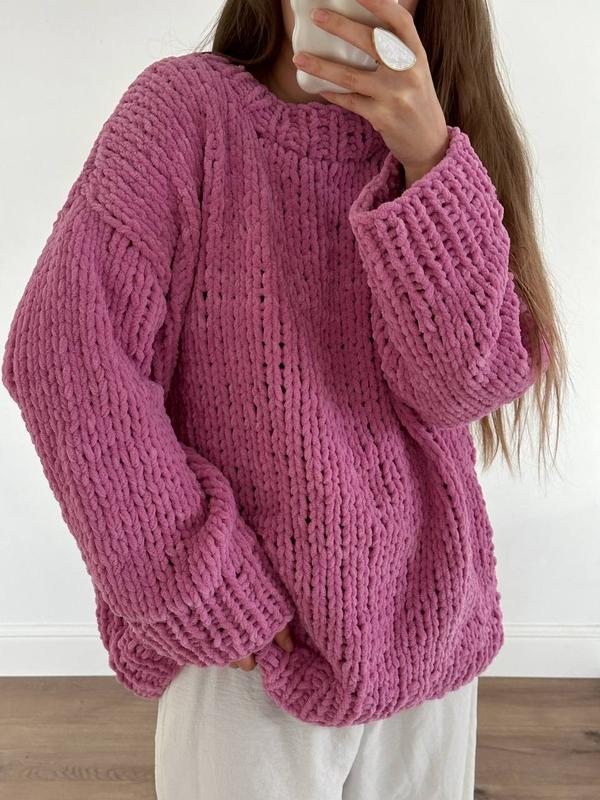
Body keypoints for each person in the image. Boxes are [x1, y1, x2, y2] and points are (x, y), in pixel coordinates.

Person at [2, 0, 566, 798]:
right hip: (252, 659)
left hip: (428, 636)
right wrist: (198, 584)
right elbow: (66, 354)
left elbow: (463, 387)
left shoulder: (442, 148)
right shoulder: (185, 114)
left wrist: (427, 160)